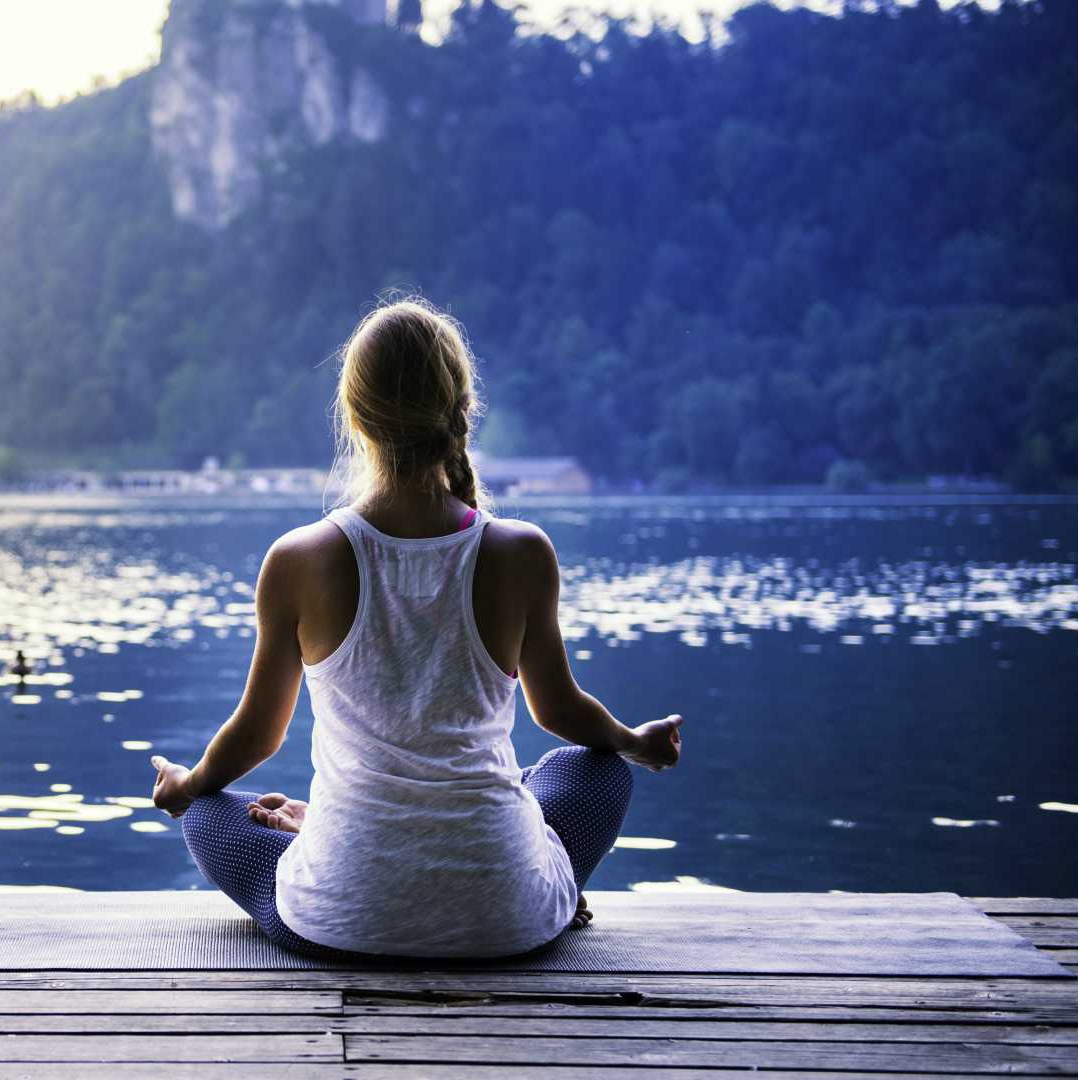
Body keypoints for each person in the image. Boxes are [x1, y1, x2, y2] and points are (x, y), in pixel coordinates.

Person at [149, 298, 684, 961]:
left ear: (354, 418)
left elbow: (258, 736)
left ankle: (329, 839)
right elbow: (561, 713)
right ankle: (545, 891)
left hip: (343, 919)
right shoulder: (522, 552)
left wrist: (186, 783)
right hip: (506, 921)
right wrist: (633, 741)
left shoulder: (297, 560)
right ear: (462, 410)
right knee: (598, 769)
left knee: (210, 807)